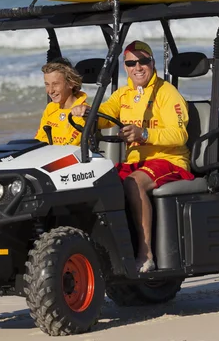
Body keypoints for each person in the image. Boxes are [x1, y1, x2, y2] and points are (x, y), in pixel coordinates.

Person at [71, 40, 194, 272]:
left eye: (143, 61)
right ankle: (104, 253)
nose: (138, 67)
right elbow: (104, 116)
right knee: (97, 180)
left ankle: (146, 254)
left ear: (152, 63)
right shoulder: (123, 94)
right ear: (125, 67)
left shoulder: (167, 93)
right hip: (136, 162)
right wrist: (86, 111)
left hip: (170, 161)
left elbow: (180, 134)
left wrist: (144, 133)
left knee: (133, 182)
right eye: (131, 63)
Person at [35, 59, 87, 146]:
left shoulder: (82, 111)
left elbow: (70, 145)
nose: (50, 91)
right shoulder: (50, 108)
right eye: (47, 84)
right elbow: (39, 138)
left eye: (55, 84)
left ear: (71, 83)